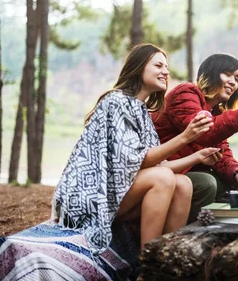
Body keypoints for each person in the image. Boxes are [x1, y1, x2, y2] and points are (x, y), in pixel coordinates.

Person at [52, 43, 221, 254]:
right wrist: (186, 136)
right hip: (92, 199)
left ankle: (165, 259)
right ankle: (146, 263)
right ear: (140, 66)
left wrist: (197, 157)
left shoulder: (140, 110)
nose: (165, 72)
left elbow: (159, 164)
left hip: (117, 193)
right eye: (159, 65)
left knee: (183, 184)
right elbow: (139, 162)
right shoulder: (116, 102)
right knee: (163, 178)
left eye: (167, 68)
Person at [152, 53, 238, 222]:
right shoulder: (185, 93)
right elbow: (205, 133)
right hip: (167, 170)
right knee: (207, 183)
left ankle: (226, 229)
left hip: (188, 170)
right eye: (227, 74)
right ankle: (189, 233)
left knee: (232, 184)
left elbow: (222, 154)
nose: (233, 82)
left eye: (237, 78)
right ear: (210, 74)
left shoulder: (216, 113)